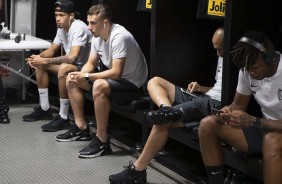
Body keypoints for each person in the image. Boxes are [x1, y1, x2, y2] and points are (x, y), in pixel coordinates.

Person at [109, 27, 224, 184]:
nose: (218, 53)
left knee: (161, 122)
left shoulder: (238, 61)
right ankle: (167, 109)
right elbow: (218, 88)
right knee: (155, 81)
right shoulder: (222, 56)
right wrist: (200, 87)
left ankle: (137, 170)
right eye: (215, 48)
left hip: (213, 105)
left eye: (220, 48)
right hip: (203, 97)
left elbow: (226, 95)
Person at [56, 4, 148, 156]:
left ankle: (102, 141)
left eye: (93, 23)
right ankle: (81, 128)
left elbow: (116, 73)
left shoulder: (120, 36)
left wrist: (86, 76)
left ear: (105, 23)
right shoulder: (97, 36)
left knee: (98, 84)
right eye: (88, 22)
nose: (89, 27)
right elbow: (90, 64)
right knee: (71, 78)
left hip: (133, 84)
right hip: (116, 82)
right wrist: (80, 75)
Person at [198, 31, 282, 184]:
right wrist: (227, 111)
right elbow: (238, 104)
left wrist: (254, 122)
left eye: (255, 67)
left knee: (272, 140)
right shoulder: (247, 70)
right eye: (247, 68)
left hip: (274, 134)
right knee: (208, 124)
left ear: (270, 58)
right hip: (264, 128)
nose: (251, 72)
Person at [24, 0, 92, 132]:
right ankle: (44, 108)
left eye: (61, 15)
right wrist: (37, 58)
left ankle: (63, 116)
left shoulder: (78, 27)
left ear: (71, 15)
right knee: (39, 64)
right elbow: (52, 50)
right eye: (56, 15)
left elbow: (72, 57)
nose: (58, 19)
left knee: (63, 68)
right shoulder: (62, 28)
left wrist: (45, 60)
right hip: (73, 65)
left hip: (86, 69)